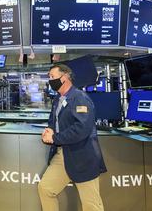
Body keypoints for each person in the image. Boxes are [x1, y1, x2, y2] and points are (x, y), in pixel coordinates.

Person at [38, 64, 106, 211]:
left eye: (52, 77)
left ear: (65, 77)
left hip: (83, 157)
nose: (50, 80)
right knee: (45, 188)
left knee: (91, 204)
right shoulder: (58, 98)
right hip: (62, 155)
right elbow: (53, 120)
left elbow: (82, 128)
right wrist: (49, 129)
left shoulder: (80, 98)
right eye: (49, 77)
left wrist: (55, 138)